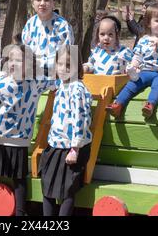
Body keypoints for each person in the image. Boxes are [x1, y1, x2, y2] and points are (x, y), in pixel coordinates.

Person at [0, 45, 56, 216]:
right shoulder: (1, 85)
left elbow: (56, 82)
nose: (13, 63)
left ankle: (20, 212)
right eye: (11, 59)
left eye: (19, 60)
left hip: (20, 140)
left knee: (19, 180)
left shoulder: (35, 84)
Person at [39, 45, 92, 216]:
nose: (63, 69)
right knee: (47, 186)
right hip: (55, 144)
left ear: (77, 67)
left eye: (68, 65)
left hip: (72, 148)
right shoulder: (61, 85)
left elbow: (80, 119)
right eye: (60, 64)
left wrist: (75, 149)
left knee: (67, 190)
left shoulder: (77, 89)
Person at [106, 2, 158, 118]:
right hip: (146, 72)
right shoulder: (143, 40)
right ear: (149, 23)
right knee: (132, 83)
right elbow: (138, 56)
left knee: (157, 84)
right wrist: (133, 65)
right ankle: (118, 105)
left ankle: (150, 105)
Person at [22, 0, 74, 79]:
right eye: (38, 0)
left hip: (54, 74)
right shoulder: (30, 24)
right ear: (33, 3)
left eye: (46, 0)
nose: (42, 3)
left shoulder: (62, 26)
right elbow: (25, 50)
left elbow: (67, 55)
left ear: (54, 3)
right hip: (31, 72)